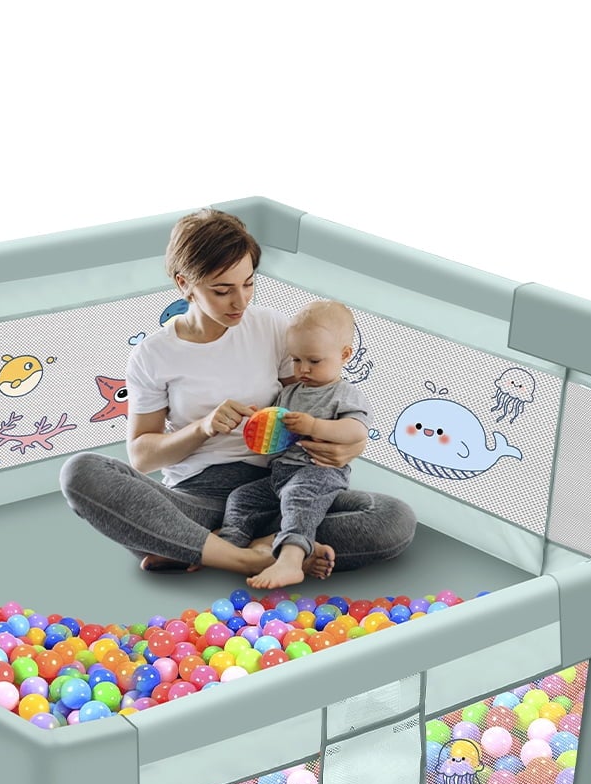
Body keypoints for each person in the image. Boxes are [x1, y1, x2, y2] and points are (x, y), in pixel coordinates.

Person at [57, 207, 415, 577]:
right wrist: (203, 427)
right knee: (81, 472)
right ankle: (250, 555)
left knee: (392, 519)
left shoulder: (272, 327)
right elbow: (143, 458)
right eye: (222, 290)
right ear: (184, 284)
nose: (241, 302)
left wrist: (351, 442)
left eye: (248, 284)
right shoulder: (153, 355)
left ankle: (205, 546)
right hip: (198, 500)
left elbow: (311, 404)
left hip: (277, 489)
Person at [217, 299, 370, 589]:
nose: (303, 369)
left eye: (314, 361)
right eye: (296, 360)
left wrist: (314, 426)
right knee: (241, 498)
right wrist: (259, 425)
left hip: (318, 473)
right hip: (279, 474)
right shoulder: (290, 393)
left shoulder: (344, 394)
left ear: (344, 355)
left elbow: (356, 430)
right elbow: (276, 432)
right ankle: (230, 544)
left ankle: (291, 559)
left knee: (299, 500)